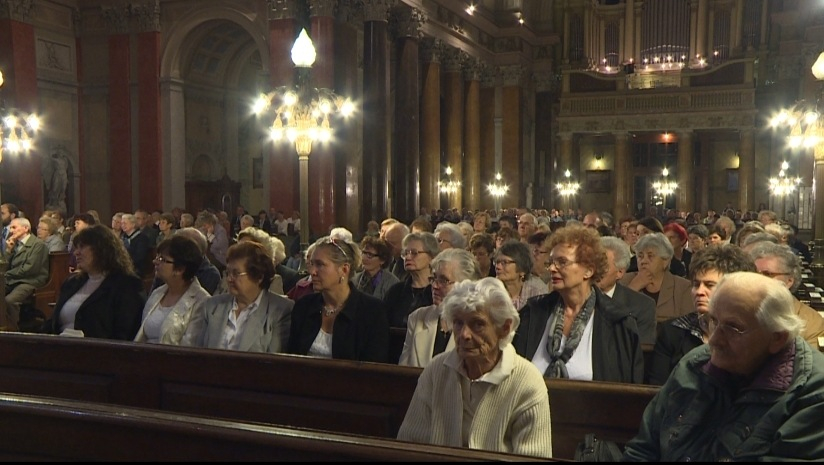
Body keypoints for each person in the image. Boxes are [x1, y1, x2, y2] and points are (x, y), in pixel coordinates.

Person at [623, 272, 824, 461]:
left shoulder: (812, 392)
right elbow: (642, 450)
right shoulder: (695, 364)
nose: (714, 340)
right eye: (713, 321)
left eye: (733, 328)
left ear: (777, 338)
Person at [396, 278, 553, 458]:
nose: (464, 335)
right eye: (458, 323)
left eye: (478, 324)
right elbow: (410, 445)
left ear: (504, 328)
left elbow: (535, 457)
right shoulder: (436, 370)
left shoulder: (527, 382)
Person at [513, 224, 644, 383]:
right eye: (551, 262)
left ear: (589, 270)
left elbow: (627, 388)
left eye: (562, 262)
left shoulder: (619, 324)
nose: (552, 268)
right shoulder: (532, 313)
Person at [646, 244, 756, 385]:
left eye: (710, 285)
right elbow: (657, 387)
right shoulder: (673, 331)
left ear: (736, 289)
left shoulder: (753, 334)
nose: (699, 292)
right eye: (696, 284)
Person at [287, 236, 389, 362]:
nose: (312, 272)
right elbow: (292, 359)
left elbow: (374, 366)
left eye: (320, 264)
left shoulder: (372, 311)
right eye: (312, 264)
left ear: (344, 269)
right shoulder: (304, 306)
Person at [43, 225, 145, 339]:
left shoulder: (126, 285)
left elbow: (125, 331)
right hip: (61, 345)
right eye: (76, 248)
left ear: (101, 249)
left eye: (82, 247)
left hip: (98, 348)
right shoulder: (72, 282)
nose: (76, 253)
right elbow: (52, 323)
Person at [193, 241, 293, 353]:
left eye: (236, 273)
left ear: (259, 277)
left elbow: (274, 360)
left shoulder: (280, 310)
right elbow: (199, 354)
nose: (229, 279)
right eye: (228, 273)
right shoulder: (212, 305)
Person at [399, 248, 482, 368]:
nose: (434, 286)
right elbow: (403, 371)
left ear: (467, 285)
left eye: (443, 280)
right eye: (434, 278)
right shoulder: (417, 318)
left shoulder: (479, 325)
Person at [134, 235, 210, 345]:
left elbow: (190, 346)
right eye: (157, 257)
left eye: (162, 259)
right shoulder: (157, 293)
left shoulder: (201, 302)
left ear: (180, 269)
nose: (155, 261)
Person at [748, 242, 824, 349]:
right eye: (754, 274)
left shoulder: (812, 323)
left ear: (789, 281)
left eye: (767, 274)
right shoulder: (738, 311)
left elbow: (807, 358)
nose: (757, 280)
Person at [620, 232, 694, 325]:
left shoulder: (683, 287)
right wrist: (633, 288)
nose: (643, 261)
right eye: (640, 256)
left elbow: (688, 325)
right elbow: (614, 317)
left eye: (650, 256)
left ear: (665, 261)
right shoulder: (624, 281)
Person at [597, 236, 657, 345]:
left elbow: (642, 349)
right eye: (591, 264)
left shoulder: (642, 306)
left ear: (620, 272)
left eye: (603, 266)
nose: (595, 270)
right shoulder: (572, 299)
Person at [383, 232, 439, 328]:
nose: (408, 257)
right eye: (405, 253)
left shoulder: (438, 291)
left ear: (432, 257)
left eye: (414, 253)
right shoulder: (396, 291)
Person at [4, 217, 50, 330]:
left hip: (31, 280)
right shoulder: (15, 244)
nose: (11, 231)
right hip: (15, 279)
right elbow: (4, 266)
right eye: (10, 228)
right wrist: (8, 250)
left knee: (10, 300)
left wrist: (7, 274)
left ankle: (13, 330)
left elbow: (30, 269)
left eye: (14, 227)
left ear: (25, 228)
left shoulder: (38, 245)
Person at [149, 227, 221, 296]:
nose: (155, 261)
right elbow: (151, 301)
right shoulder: (164, 269)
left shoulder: (210, 274)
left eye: (177, 247)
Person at [494, 239, 548, 311]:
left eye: (504, 262)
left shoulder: (537, 291)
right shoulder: (490, 291)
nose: (498, 267)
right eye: (497, 262)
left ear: (522, 269)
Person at [352, 236, 399, 300]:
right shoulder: (354, 280)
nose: (364, 258)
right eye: (363, 253)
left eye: (370, 255)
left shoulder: (392, 283)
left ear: (382, 260)